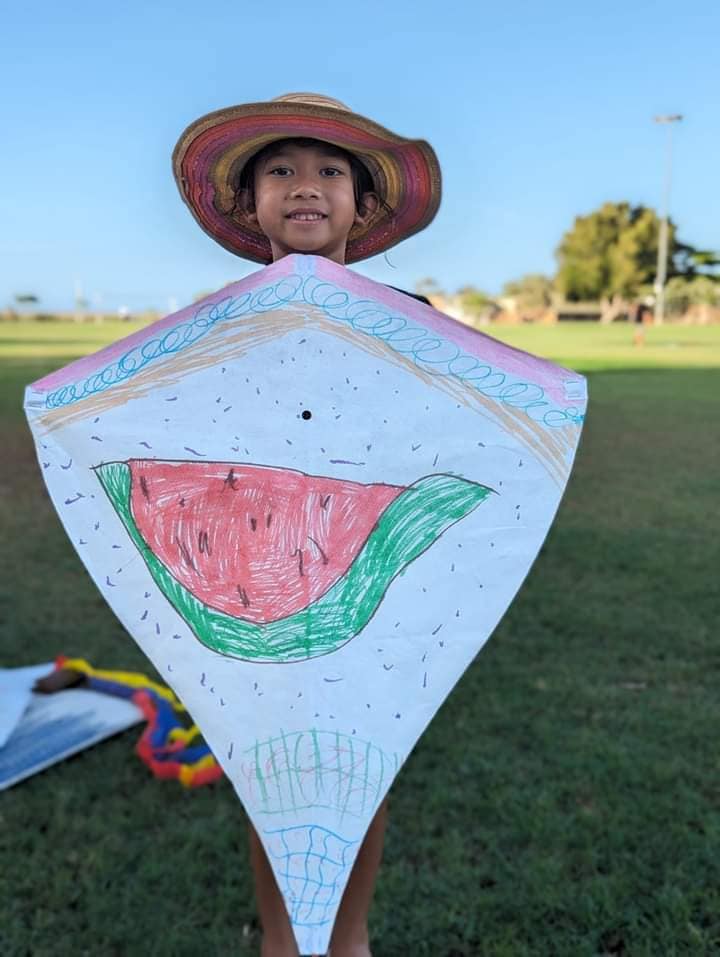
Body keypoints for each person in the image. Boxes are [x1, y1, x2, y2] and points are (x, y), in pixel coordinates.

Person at [172, 92, 442, 957]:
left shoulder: (415, 319)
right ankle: (281, 943)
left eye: (330, 170)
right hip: (259, 587)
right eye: (280, 169)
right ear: (251, 204)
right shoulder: (218, 318)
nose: (305, 186)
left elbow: (449, 435)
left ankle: (351, 938)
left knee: (363, 773)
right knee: (269, 778)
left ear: (362, 205)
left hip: (368, 585)